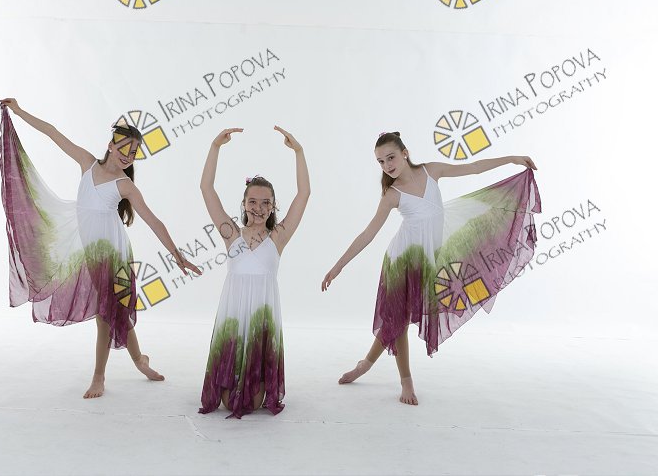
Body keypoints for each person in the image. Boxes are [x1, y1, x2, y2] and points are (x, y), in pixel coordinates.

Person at [0, 98, 201, 399]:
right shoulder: (87, 163)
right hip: (93, 256)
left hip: (116, 256)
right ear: (111, 144)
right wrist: (19, 111)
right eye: (124, 149)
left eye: (134, 153)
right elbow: (53, 133)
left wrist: (178, 256)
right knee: (113, 310)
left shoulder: (124, 185)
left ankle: (99, 377)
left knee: (105, 315)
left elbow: (154, 221)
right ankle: (140, 360)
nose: (128, 156)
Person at [322, 131, 540, 405]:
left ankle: (364, 364)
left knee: (396, 319)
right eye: (380, 162)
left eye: (391, 157)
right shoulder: (392, 194)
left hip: (425, 261)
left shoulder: (431, 171)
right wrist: (338, 266)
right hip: (400, 261)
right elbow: (368, 234)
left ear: (405, 153)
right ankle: (406, 381)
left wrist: (512, 159)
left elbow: (473, 168)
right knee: (399, 321)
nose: (387, 165)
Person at [198, 126, 310, 418]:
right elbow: (206, 189)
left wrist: (298, 152)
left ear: (273, 207)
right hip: (234, 318)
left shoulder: (278, 237)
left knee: (254, 401)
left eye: (265, 203)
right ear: (244, 204)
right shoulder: (231, 234)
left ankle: (255, 372)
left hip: (261, 322)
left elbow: (304, 194)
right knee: (227, 402)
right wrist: (215, 147)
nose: (258, 208)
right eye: (252, 202)